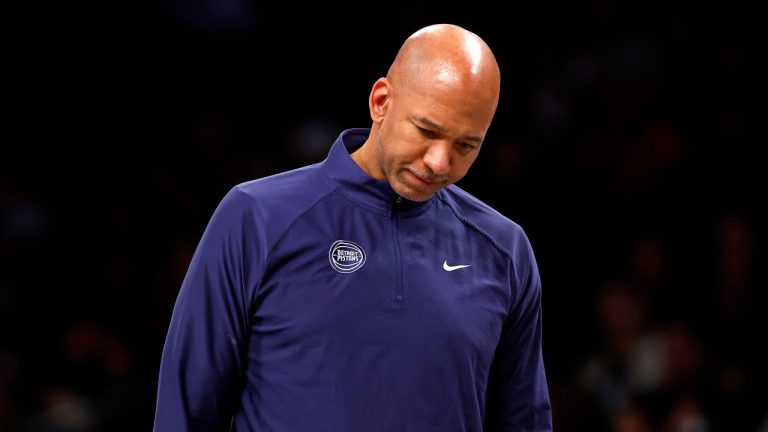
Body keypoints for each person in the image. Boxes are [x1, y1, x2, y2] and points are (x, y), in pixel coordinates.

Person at [154, 23, 552, 431]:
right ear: (381, 101)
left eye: (466, 145)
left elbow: (524, 421)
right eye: (427, 130)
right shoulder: (256, 217)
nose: (440, 162)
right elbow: (185, 411)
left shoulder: (504, 250)